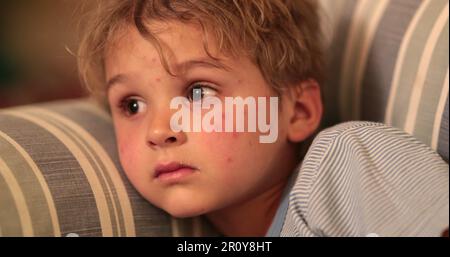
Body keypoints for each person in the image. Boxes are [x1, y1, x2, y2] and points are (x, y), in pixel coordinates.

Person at [77, 0, 448, 236]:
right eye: (132, 106)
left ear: (297, 111)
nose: (158, 131)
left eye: (198, 93)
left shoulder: (346, 161)